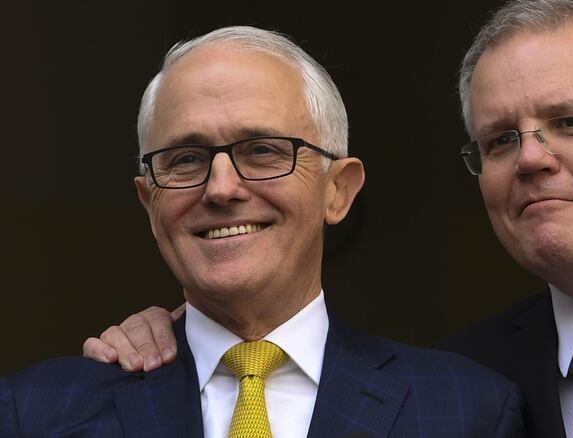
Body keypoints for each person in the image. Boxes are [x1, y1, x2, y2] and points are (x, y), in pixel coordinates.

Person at [83, 0, 573, 438]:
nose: (532, 158)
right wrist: (188, 334)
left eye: (571, 121)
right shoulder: (473, 383)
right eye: (499, 140)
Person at [0, 26, 523, 437]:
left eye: (263, 151)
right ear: (149, 202)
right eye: (185, 159)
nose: (222, 188)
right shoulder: (36, 412)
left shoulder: (465, 408)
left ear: (338, 190)